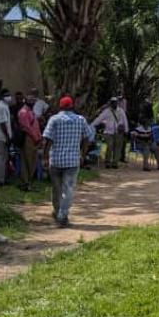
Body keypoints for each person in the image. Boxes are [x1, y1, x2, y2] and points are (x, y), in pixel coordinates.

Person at [42, 96, 94, 227]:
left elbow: (47, 140)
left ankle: (57, 211)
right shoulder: (80, 120)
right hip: (72, 161)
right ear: (72, 106)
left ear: (60, 106)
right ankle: (62, 215)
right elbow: (88, 137)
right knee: (68, 189)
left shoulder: (54, 119)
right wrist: (83, 153)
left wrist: (45, 157)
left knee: (56, 189)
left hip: (56, 160)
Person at [91, 97, 128, 169]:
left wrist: (126, 130)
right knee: (110, 145)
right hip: (108, 132)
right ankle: (107, 162)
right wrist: (91, 125)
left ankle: (115, 163)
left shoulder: (121, 111)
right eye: (112, 102)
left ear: (117, 103)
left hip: (118, 131)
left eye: (115, 102)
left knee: (118, 147)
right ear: (111, 103)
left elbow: (125, 120)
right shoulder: (107, 111)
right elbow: (99, 119)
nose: (114, 104)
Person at [17, 92, 42, 190]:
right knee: (27, 161)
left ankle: (29, 181)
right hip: (28, 139)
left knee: (33, 161)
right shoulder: (23, 112)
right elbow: (27, 128)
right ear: (26, 101)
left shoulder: (31, 112)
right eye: (30, 100)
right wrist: (35, 137)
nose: (32, 102)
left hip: (35, 139)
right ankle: (25, 182)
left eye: (33, 100)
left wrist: (39, 136)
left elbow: (35, 126)